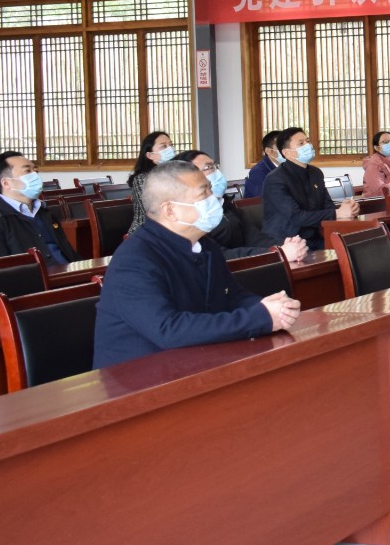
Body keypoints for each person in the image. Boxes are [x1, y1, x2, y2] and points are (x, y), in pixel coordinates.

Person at [93, 161, 300, 369]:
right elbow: (168, 329)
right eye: (204, 193)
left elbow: (232, 296)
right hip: (140, 376)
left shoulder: (204, 245)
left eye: (211, 189)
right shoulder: (135, 259)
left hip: (195, 361)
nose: (214, 198)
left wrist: (270, 308)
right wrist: (258, 318)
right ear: (171, 210)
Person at [173, 150, 307, 264]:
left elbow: (253, 237)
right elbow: (217, 254)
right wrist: (275, 253)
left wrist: (284, 245)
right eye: (208, 167)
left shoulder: (225, 204)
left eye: (214, 166)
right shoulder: (188, 214)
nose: (216, 171)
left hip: (247, 266)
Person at [0, 152, 77, 264]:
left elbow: (70, 255)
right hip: (36, 275)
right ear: (6, 183)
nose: (35, 176)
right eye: (27, 171)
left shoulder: (45, 213)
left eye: (35, 171)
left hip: (68, 273)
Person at [262, 127, 357, 250]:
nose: (308, 145)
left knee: (353, 244)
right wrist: (336, 213)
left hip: (314, 235)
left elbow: (327, 206)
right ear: (286, 153)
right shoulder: (275, 179)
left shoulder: (316, 173)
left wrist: (347, 209)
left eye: (307, 141)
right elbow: (296, 217)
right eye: (301, 143)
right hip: (287, 241)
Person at [126, 130, 177, 234]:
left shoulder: (175, 174)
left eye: (171, 145)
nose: (170, 149)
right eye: (163, 146)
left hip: (172, 226)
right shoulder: (142, 179)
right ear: (149, 155)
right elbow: (152, 211)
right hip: (146, 231)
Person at [242, 131, 281, 199]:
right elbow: (268, 199)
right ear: (268, 151)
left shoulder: (289, 166)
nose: (286, 150)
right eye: (281, 146)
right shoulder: (257, 172)